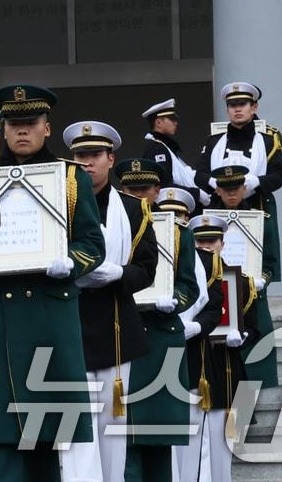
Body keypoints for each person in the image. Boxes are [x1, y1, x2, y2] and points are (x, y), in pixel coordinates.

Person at [0, 85, 104, 482]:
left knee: (47, 440)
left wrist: (70, 262)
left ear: (47, 128)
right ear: (1, 130)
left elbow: (92, 243)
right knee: (0, 441)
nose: (21, 132)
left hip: (48, 313)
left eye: (30, 124)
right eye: (13, 124)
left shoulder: (69, 178)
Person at [61, 121, 158, 482]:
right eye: (80, 156)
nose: (87, 163)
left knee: (112, 427)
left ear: (110, 159)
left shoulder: (134, 210)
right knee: (76, 427)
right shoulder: (59, 199)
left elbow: (147, 269)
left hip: (116, 324)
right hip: (71, 322)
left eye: (95, 155)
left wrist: (117, 274)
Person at [194, 83, 282, 391]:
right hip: (219, 218)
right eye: (232, 105)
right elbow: (199, 174)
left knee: (253, 309)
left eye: (244, 104)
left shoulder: (268, 140)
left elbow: (278, 176)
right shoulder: (214, 141)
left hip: (255, 217)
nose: (238, 109)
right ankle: (220, 389)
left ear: (254, 107)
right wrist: (221, 187)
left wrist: (251, 184)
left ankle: (255, 388)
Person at [124, 186, 208, 482]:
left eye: (143, 189)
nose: (138, 195)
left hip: (161, 337)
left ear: (155, 192)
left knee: (159, 440)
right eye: (130, 189)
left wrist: (173, 300)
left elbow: (190, 286)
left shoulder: (177, 232)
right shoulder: (119, 221)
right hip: (123, 332)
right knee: (124, 438)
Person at [178, 214, 250, 482]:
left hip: (227, 367)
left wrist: (241, 335)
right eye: (201, 242)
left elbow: (254, 327)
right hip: (196, 363)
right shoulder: (186, 274)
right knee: (191, 438)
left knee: (228, 440)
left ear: (222, 242)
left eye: (212, 241)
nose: (207, 247)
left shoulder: (242, 281)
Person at [205, 163, 280, 393]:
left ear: (245, 187)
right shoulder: (203, 221)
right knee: (217, 368)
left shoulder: (261, 220)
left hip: (251, 299)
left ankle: (245, 424)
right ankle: (222, 427)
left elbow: (271, 262)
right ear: (216, 190)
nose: (231, 193)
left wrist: (261, 279)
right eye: (225, 188)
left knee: (253, 365)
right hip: (216, 299)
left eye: (236, 187)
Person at [140, 98, 204, 203]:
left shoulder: (165, 146)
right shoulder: (157, 148)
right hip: (169, 205)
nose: (176, 123)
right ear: (159, 122)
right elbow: (163, 184)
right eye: (172, 119)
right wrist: (196, 193)